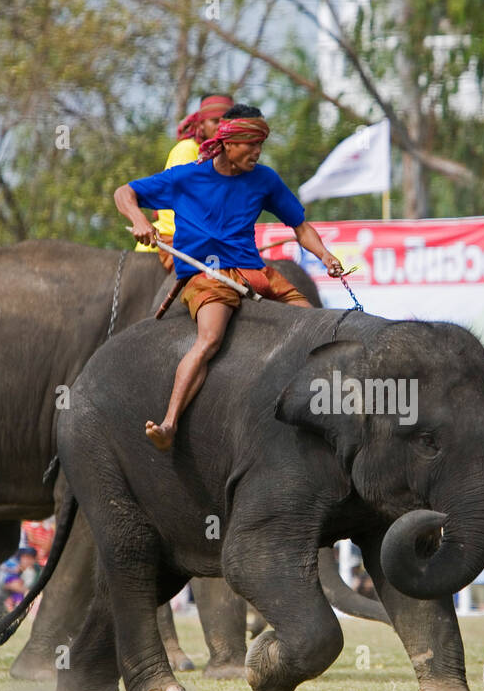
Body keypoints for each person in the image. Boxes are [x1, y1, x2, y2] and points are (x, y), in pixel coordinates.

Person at [114, 103, 345, 450]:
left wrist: (325, 255)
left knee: (313, 319)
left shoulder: (265, 179)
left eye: (260, 145)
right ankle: (169, 424)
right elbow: (124, 193)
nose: (257, 152)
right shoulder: (186, 177)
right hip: (205, 273)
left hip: (252, 270)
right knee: (210, 339)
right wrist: (140, 219)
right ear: (228, 142)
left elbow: (299, 226)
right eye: (250, 144)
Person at [138, 94, 234, 272]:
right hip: (172, 241)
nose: (222, 127)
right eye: (215, 121)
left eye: (227, 122)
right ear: (201, 124)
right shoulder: (188, 150)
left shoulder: (223, 160)